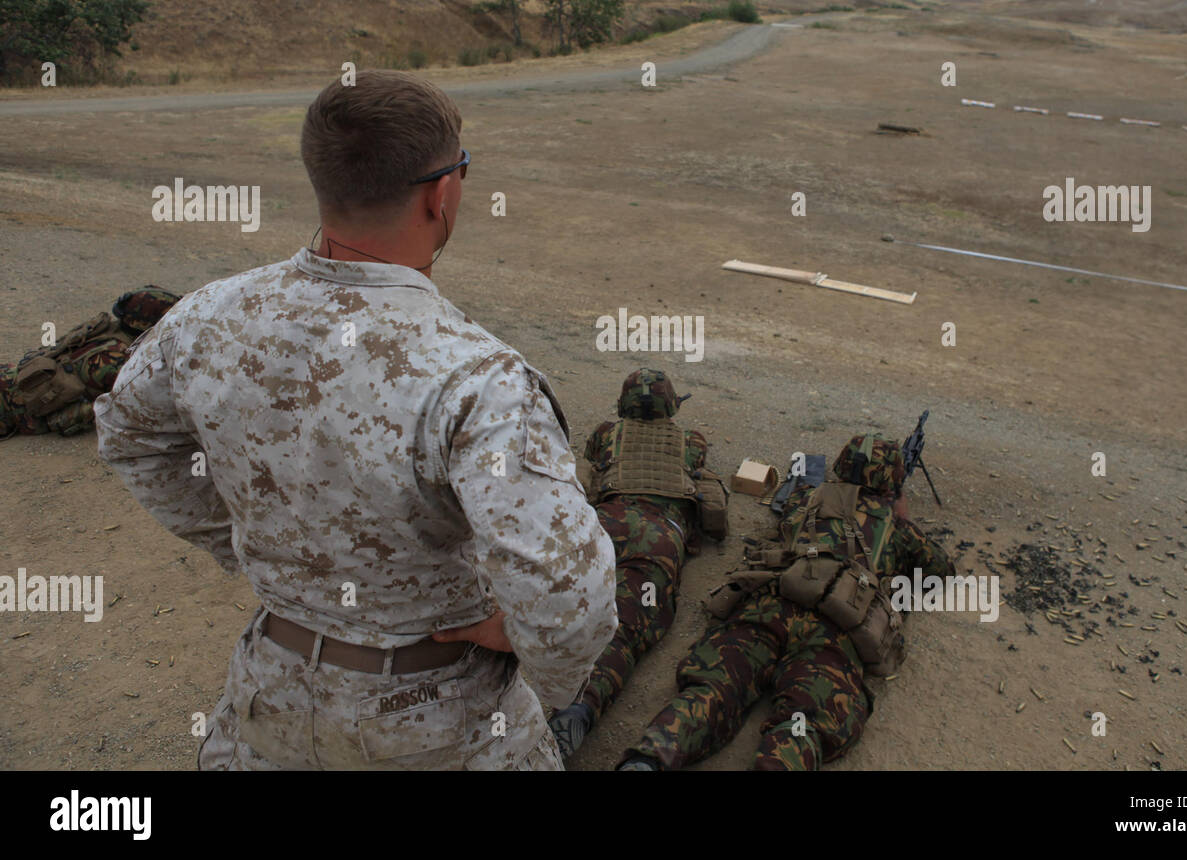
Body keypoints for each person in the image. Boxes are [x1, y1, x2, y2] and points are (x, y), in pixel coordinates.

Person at [94, 69, 617, 770]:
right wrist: (543, 667)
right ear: (443, 192)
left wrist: (246, 543)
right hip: (437, 716)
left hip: (269, 692)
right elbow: (566, 595)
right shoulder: (477, 379)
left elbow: (130, 434)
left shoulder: (208, 317)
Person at [618, 432, 955, 771]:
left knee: (712, 689)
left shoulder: (807, 497)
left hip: (769, 606)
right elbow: (940, 571)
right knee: (803, 721)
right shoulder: (897, 527)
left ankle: (648, 759)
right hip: (833, 633)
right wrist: (901, 516)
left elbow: (793, 520)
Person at [548, 369, 728, 759]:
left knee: (573, 606)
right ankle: (580, 706)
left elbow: (591, 464)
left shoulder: (604, 434)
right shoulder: (692, 441)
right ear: (671, 404)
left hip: (603, 525)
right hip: (658, 536)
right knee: (628, 626)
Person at [0, 286, 179, 439]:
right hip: (18, 411)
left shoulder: (104, 327)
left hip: (10, 376)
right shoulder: (119, 361)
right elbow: (142, 409)